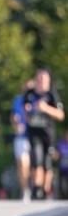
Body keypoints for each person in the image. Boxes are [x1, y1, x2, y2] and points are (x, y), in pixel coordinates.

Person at [23, 68, 64, 199]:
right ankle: (37, 188)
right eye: (39, 78)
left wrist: (46, 108)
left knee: (47, 163)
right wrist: (28, 112)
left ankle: (46, 189)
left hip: (48, 134)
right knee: (36, 160)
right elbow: (24, 112)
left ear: (48, 80)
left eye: (43, 78)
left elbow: (60, 115)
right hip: (34, 133)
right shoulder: (29, 93)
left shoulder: (51, 95)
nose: (40, 81)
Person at [10, 81, 32, 201]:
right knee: (21, 164)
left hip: (32, 137)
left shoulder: (35, 100)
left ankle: (31, 187)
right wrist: (15, 122)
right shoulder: (18, 100)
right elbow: (13, 116)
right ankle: (25, 189)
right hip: (20, 136)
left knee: (29, 164)